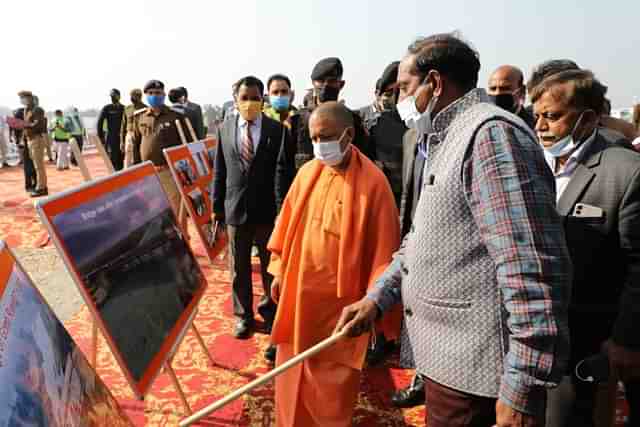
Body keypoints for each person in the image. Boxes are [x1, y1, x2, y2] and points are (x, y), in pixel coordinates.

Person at [335, 33, 572, 427]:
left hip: (478, 374)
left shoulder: (491, 136)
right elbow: (422, 238)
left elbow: (531, 267)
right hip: (448, 366)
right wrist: (377, 298)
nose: (400, 101)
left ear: (435, 83)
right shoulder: (442, 137)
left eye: (405, 89)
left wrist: (522, 387)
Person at [268, 101, 400, 427]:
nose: (319, 145)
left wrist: (372, 304)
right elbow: (284, 229)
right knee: (290, 377)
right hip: (298, 302)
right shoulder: (307, 173)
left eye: (325, 136)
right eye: (313, 138)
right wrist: (278, 270)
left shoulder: (374, 183)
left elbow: (385, 253)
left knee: (329, 391)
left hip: (338, 311)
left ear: (348, 135)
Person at [529, 69, 640, 427]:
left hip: (588, 336)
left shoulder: (625, 173)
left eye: (552, 116)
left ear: (588, 118)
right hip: (531, 331)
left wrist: (625, 338)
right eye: (537, 116)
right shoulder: (532, 163)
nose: (541, 126)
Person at [212, 76, 287, 356]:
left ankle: (272, 311)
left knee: (271, 267)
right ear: (236, 100)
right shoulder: (224, 129)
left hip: (267, 211)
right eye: (244, 98)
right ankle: (243, 315)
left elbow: (282, 173)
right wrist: (216, 207)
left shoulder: (277, 130)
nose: (249, 103)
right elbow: (219, 170)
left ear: (262, 99)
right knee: (239, 266)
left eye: (254, 97)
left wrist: (282, 211)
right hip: (235, 208)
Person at [275, 57, 373, 210]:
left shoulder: (353, 122)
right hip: (303, 206)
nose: (326, 86)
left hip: (341, 206)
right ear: (313, 83)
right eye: (321, 81)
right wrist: (282, 211)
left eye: (332, 81)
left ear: (341, 84)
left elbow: (364, 166)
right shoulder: (296, 123)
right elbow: (283, 170)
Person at [132, 80, 193, 214]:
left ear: (164, 94)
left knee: (176, 208)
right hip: (148, 172)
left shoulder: (175, 115)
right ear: (146, 95)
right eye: (151, 93)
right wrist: (136, 170)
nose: (155, 95)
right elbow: (136, 144)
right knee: (154, 210)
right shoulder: (140, 117)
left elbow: (186, 142)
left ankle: (182, 235)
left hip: (170, 171)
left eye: (158, 93)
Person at [359, 61, 406, 209]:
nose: (392, 98)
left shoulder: (408, 119)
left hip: (401, 195)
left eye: (396, 93)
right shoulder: (361, 118)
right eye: (388, 93)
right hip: (373, 193)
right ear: (377, 94)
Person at [487, 65, 536, 130]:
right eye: (493, 89)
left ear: (521, 91)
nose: (497, 93)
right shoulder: (484, 124)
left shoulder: (534, 125)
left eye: (505, 88)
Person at [19, 91, 49, 197]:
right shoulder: (27, 110)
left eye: (23, 97)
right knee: (37, 165)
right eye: (21, 98)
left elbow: (38, 124)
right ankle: (41, 187)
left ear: (30, 98)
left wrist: (26, 124)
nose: (22, 100)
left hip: (37, 139)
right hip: (30, 140)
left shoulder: (37, 109)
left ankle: (41, 188)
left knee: (39, 165)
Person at [97, 89, 125, 170]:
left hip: (121, 138)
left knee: (121, 159)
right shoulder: (107, 108)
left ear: (119, 96)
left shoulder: (124, 108)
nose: (112, 98)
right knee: (111, 160)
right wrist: (101, 137)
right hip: (110, 138)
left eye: (114, 96)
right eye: (111, 96)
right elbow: (100, 123)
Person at [9, 107, 36, 191]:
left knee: (28, 164)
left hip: (23, 143)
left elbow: (12, 130)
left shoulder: (15, 119)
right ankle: (31, 184)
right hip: (27, 142)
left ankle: (30, 184)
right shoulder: (22, 118)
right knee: (30, 164)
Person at [120, 89, 146, 167]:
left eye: (134, 96)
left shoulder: (146, 109)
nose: (132, 98)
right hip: (130, 135)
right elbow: (123, 125)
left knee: (140, 156)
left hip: (142, 135)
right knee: (128, 157)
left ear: (140, 97)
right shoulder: (127, 108)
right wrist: (122, 141)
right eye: (131, 96)